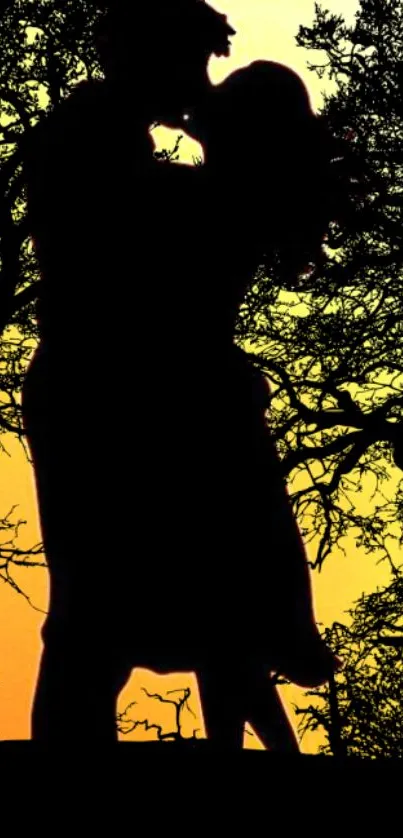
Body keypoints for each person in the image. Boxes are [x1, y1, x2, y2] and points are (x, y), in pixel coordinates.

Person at [22, 0, 340, 746]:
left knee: (120, 609)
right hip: (114, 396)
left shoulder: (143, 160)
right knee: (109, 609)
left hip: (138, 396)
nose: (202, 83)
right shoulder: (103, 141)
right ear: (148, 58)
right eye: (194, 63)